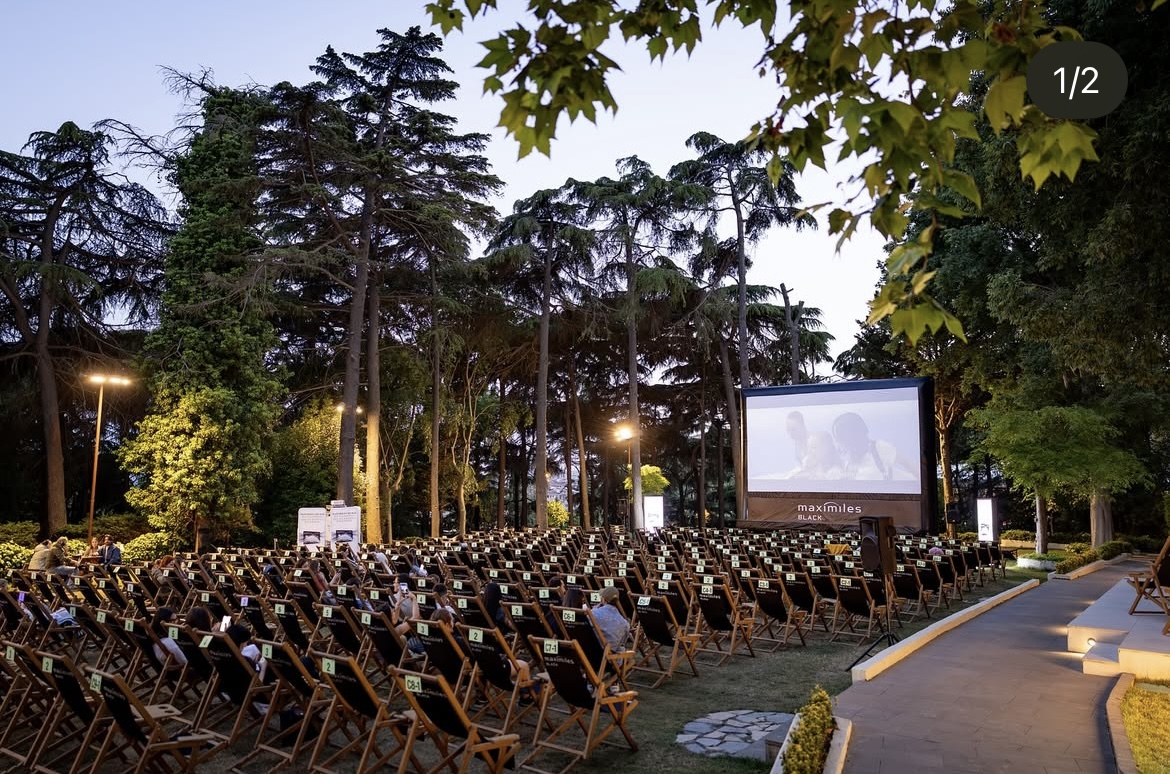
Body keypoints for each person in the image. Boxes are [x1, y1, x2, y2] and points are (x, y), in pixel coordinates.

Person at [832, 412, 917, 482]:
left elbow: (908, 464)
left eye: (842, 437)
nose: (840, 444)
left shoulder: (878, 448)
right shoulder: (845, 458)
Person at [591, 586, 630, 650]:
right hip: (609, 655)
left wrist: (593, 609)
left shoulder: (593, 613)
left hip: (589, 651)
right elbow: (622, 642)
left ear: (603, 599)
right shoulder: (624, 624)